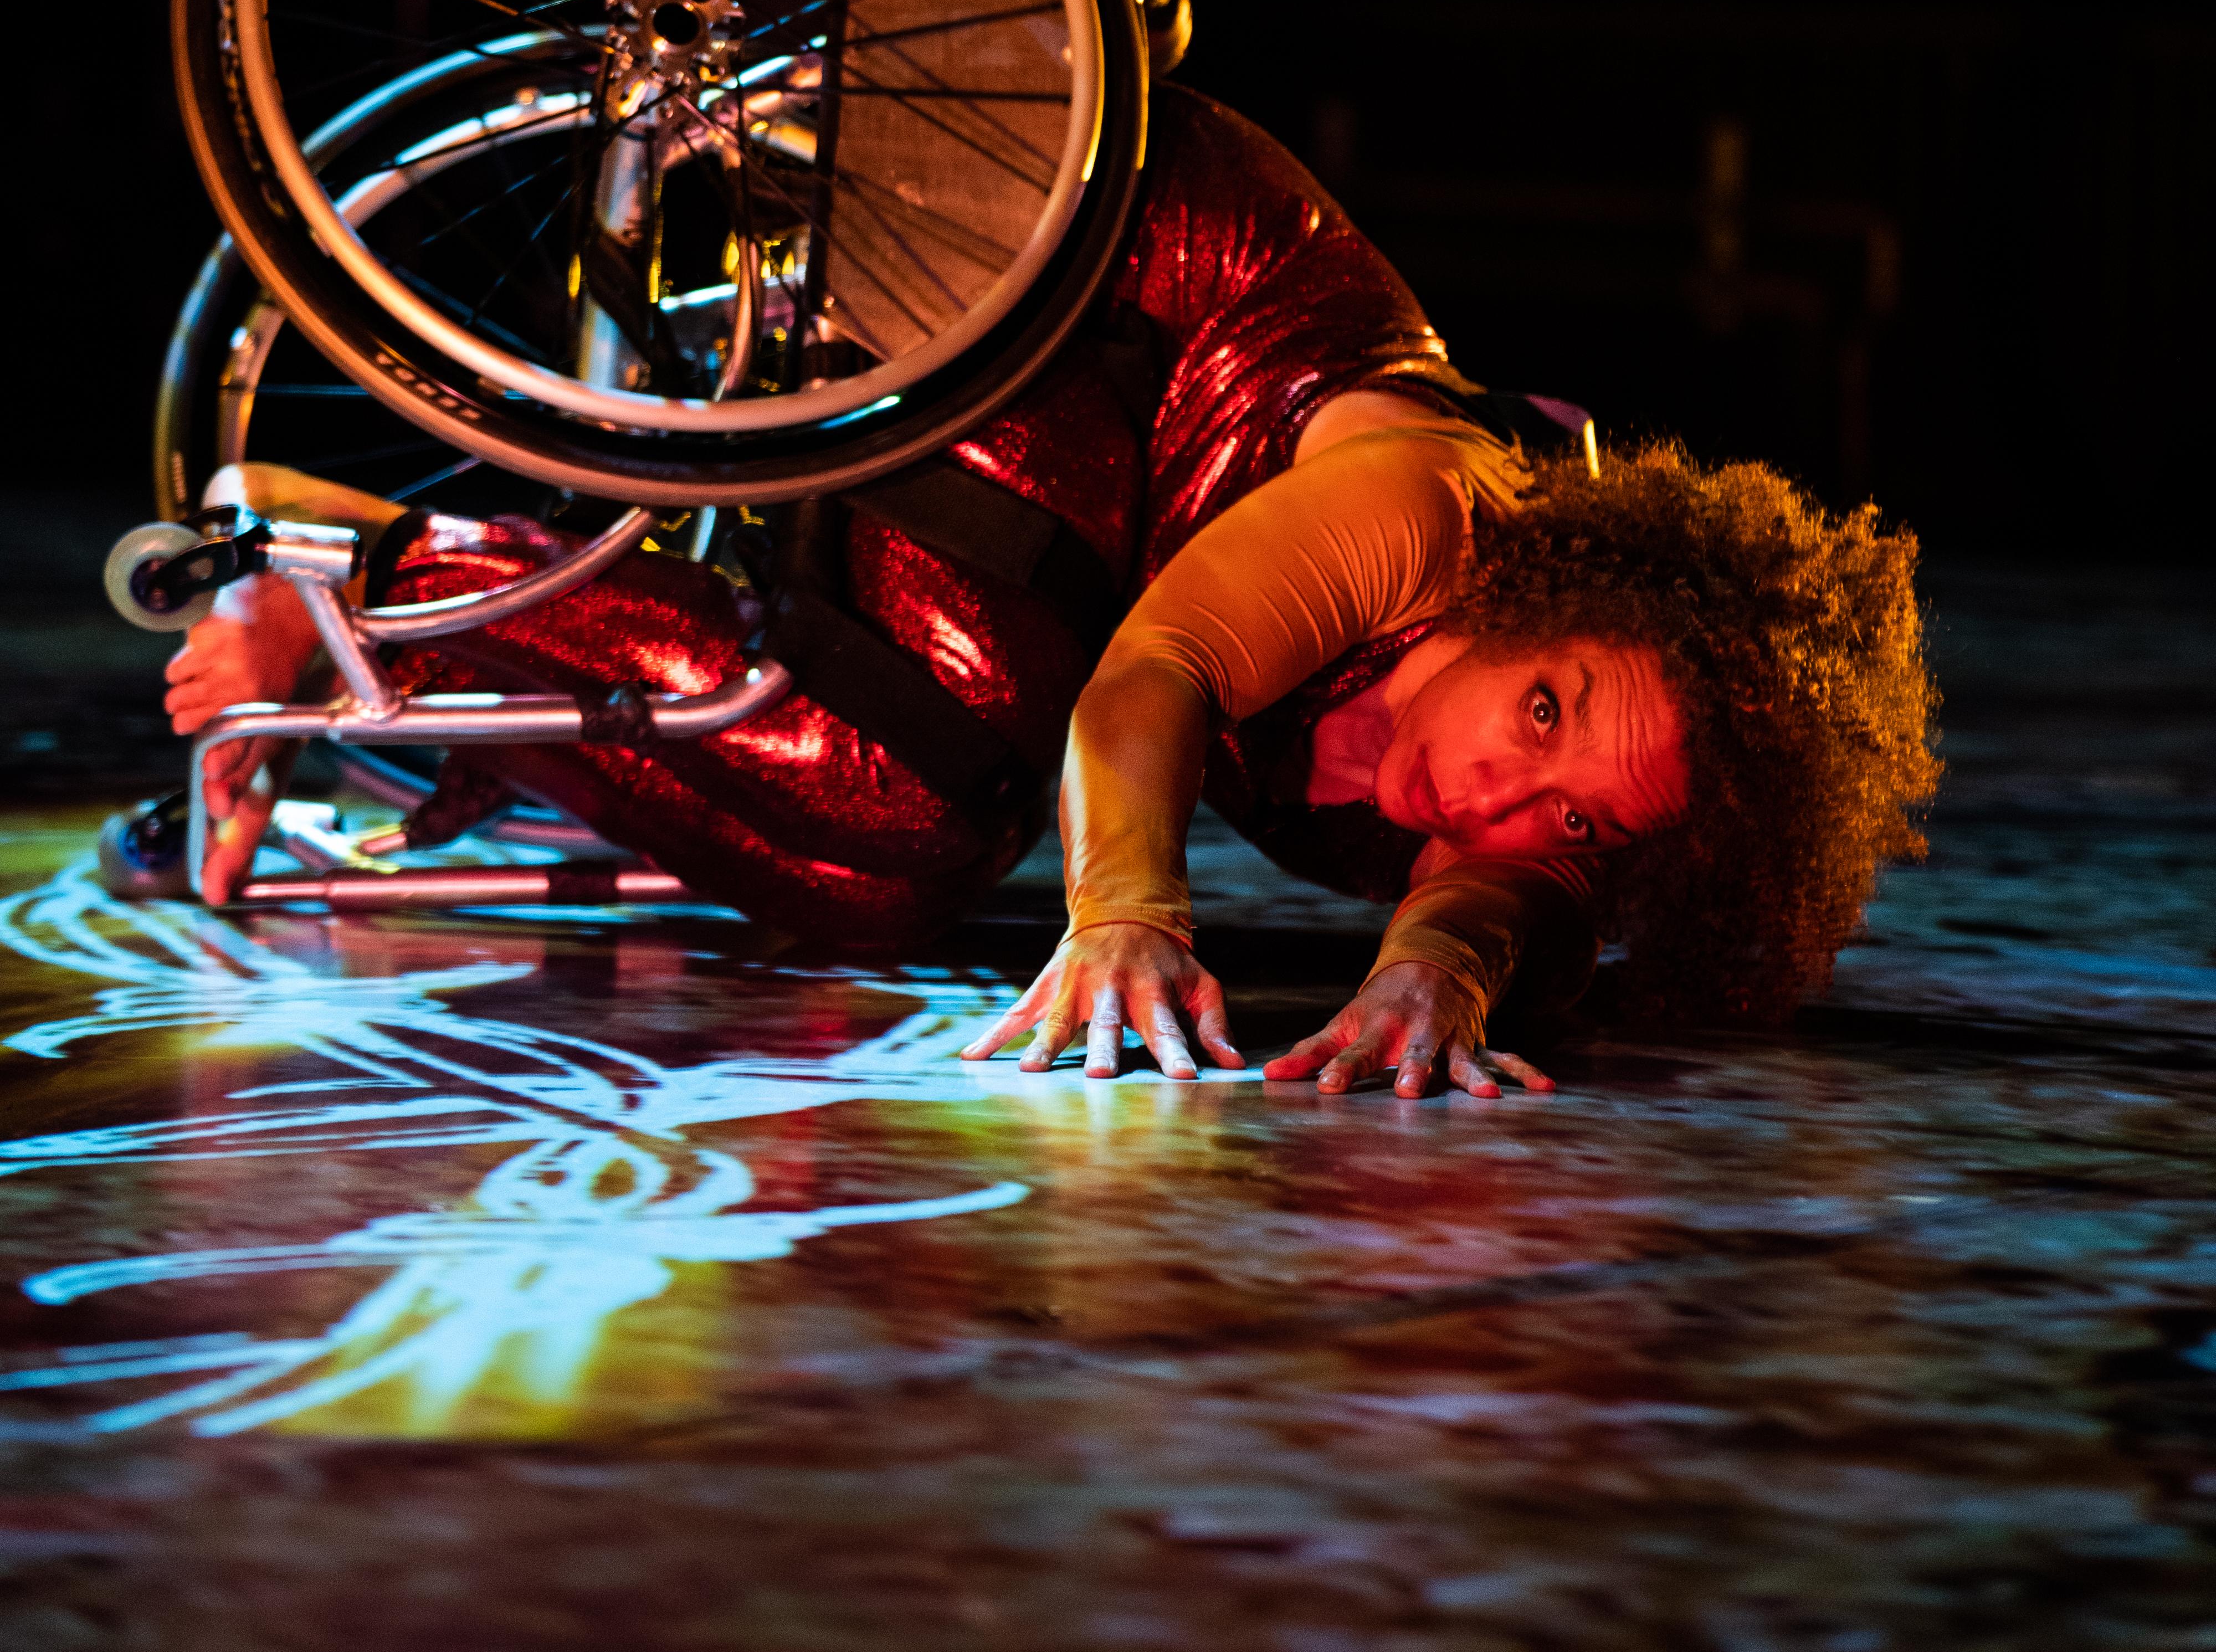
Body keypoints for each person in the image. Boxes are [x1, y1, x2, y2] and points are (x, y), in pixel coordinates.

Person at [159, 87, 1938, 1094]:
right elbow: (1154, 673)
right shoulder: (1433, 508)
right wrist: (1130, 917)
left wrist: (1435, 981)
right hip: (1080, 262)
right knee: (917, 797)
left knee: (879, 869)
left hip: (1109, 439)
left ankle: (413, 639)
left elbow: (1488, 893)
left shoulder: (1529, 805)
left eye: (1585, 824)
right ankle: (357, 573)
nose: (1498, 798)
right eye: (1541, 716)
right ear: (1542, 586)